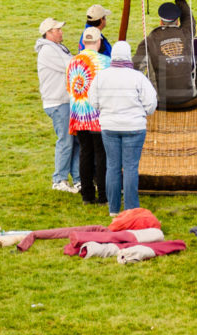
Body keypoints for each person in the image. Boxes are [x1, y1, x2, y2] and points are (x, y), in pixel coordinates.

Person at [89, 41, 158, 216]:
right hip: (134, 127)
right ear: (128, 55)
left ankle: (113, 208)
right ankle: (131, 208)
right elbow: (151, 103)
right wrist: (141, 113)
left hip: (109, 127)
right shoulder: (137, 77)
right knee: (130, 168)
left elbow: (93, 101)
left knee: (112, 167)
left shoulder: (101, 77)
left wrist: (106, 111)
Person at [35, 17, 81, 194]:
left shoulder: (57, 48)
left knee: (74, 141)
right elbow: (71, 65)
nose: (61, 32)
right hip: (58, 102)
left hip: (64, 101)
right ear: (49, 33)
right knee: (66, 141)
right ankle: (59, 179)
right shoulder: (48, 51)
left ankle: (77, 179)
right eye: (58, 30)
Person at [67, 26, 110, 205]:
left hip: (78, 114)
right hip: (98, 115)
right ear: (99, 42)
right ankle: (103, 196)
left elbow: (69, 88)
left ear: (83, 43)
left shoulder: (72, 62)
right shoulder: (106, 61)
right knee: (101, 156)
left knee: (85, 154)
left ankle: (87, 195)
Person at [133, 0, 195, 105]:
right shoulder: (186, 33)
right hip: (188, 96)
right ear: (178, 22)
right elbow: (189, 18)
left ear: (161, 22)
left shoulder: (150, 40)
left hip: (161, 100)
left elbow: (135, 70)